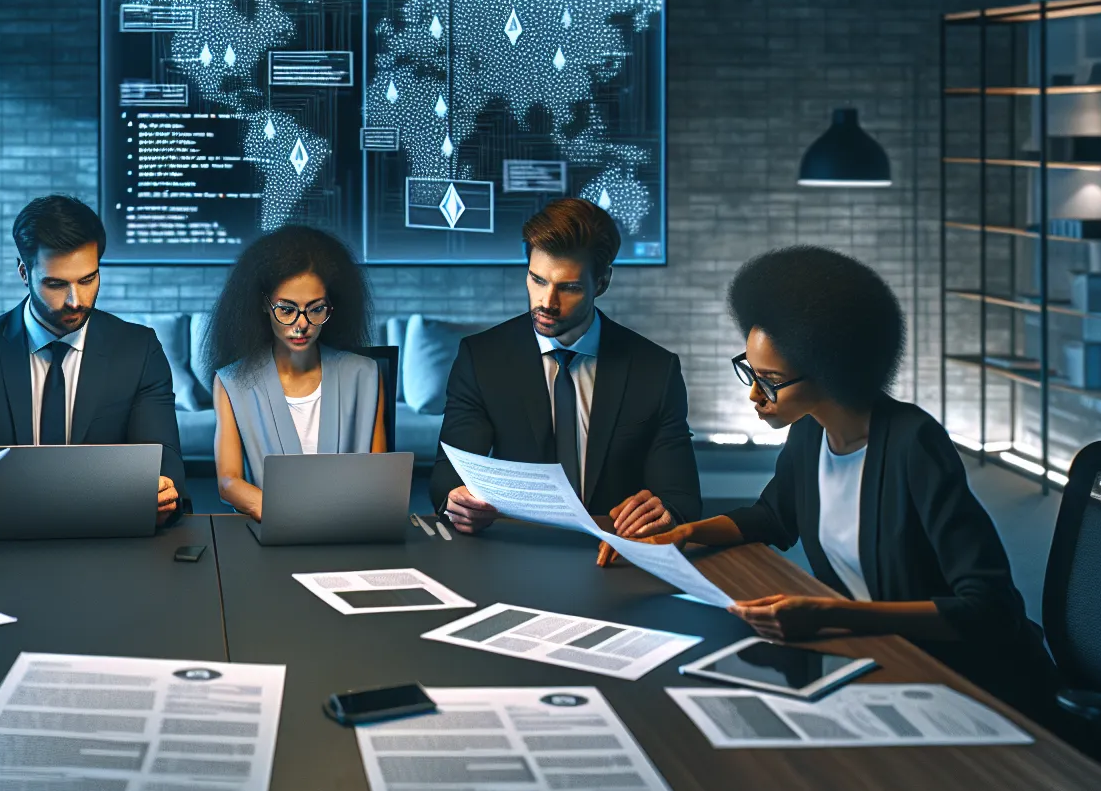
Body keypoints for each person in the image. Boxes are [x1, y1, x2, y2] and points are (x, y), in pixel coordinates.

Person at [611, 245, 1057, 716]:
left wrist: (828, 614)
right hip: (879, 660)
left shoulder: (913, 444)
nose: (754, 395)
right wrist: (684, 534)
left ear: (831, 369)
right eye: (751, 370)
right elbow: (772, 517)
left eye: (770, 380)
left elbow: (989, 609)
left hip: (970, 683)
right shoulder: (810, 431)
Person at [431, 197, 701, 536]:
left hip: (615, 551)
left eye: (569, 288)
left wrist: (666, 511)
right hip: (518, 549)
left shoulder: (655, 370)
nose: (546, 302)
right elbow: (449, 469)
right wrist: (456, 499)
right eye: (537, 280)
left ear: (601, 283)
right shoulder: (482, 358)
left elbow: (682, 497)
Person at [0, 195, 184, 531]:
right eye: (56, 284)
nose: (75, 301)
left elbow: (166, 466)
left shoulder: (139, 350)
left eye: (88, 279)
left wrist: (164, 495)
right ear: (24, 272)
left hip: (109, 545)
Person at [206, 225, 386, 521]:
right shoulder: (232, 382)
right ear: (265, 305)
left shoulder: (364, 374)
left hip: (350, 531)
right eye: (287, 310)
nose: (301, 325)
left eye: (315, 309)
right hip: (273, 530)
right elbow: (228, 481)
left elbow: (379, 477)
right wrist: (289, 516)